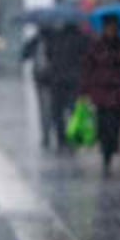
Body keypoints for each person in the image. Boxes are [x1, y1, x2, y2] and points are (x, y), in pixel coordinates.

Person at [22, 22, 89, 151]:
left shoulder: (55, 39)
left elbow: (46, 56)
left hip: (56, 80)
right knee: (69, 110)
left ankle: (61, 138)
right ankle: (67, 137)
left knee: (57, 111)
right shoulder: (78, 39)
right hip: (67, 80)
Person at [81, 16, 120, 175]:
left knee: (116, 123)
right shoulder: (97, 46)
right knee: (103, 124)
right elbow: (88, 68)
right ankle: (106, 153)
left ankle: (113, 147)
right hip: (101, 92)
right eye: (108, 28)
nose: (111, 31)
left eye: (114, 28)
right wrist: (86, 91)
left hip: (118, 92)